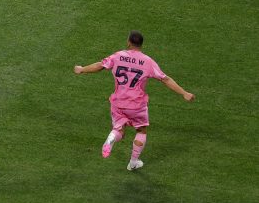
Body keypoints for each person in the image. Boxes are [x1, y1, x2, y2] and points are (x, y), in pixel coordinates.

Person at [73, 31, 195, 171]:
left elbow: (100, 65)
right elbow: (165, 79)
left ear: (129, 42)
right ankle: (133, 162)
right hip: (137, 105)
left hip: (118, 102)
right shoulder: (148, 61)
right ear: (141, 44)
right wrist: (184, 93)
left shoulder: (118, 56)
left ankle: (111, 137)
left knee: (119, 130)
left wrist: (82, 69)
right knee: (141, 131)